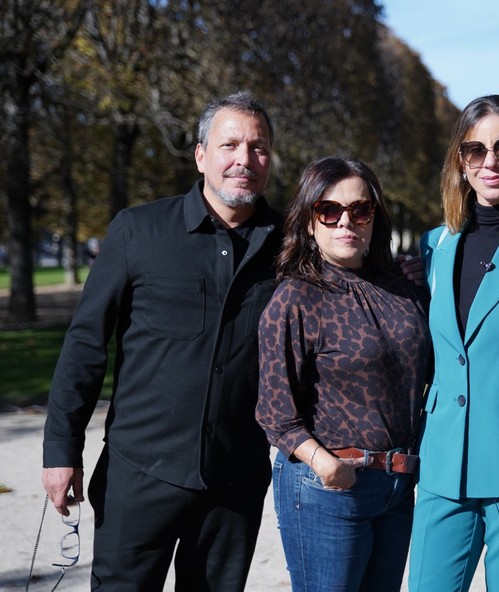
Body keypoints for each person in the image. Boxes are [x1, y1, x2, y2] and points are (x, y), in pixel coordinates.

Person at [41, 91, 282, 590]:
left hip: (234, 481)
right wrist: (61, 450)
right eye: (230, 144)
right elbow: (86, 344)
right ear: (200, 154)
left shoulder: (291, 245)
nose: (244, 159)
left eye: (258, 148)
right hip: (138, 473)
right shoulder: (138, 231)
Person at [255, 155, 432, 592]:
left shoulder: (402, 288)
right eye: (329, 210)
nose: (345, 222)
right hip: (328, 489)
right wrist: (327, 466)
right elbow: (275, 412)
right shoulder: (296, 299)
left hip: (397, 489)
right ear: (310, 221)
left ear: (375, 217)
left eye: (360, 209)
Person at [408, 95, 499, 592]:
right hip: (442, 461)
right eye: (475, 150)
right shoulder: (432, 246)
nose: (490, 162)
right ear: (460, 162)